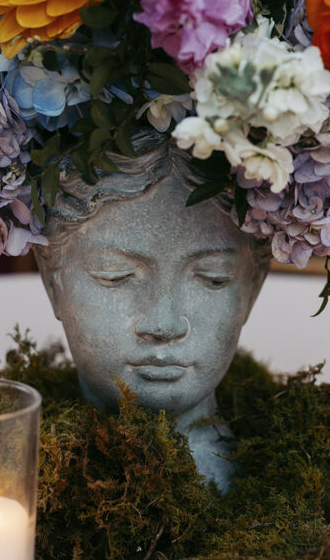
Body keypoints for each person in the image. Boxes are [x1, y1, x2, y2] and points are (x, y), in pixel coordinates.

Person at [35, 130, 271, 490]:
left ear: (252, 288)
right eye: (115, 276)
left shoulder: (280, 475)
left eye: (213, 278)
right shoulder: (15, 472)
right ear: (53, 281)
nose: (164, 324)